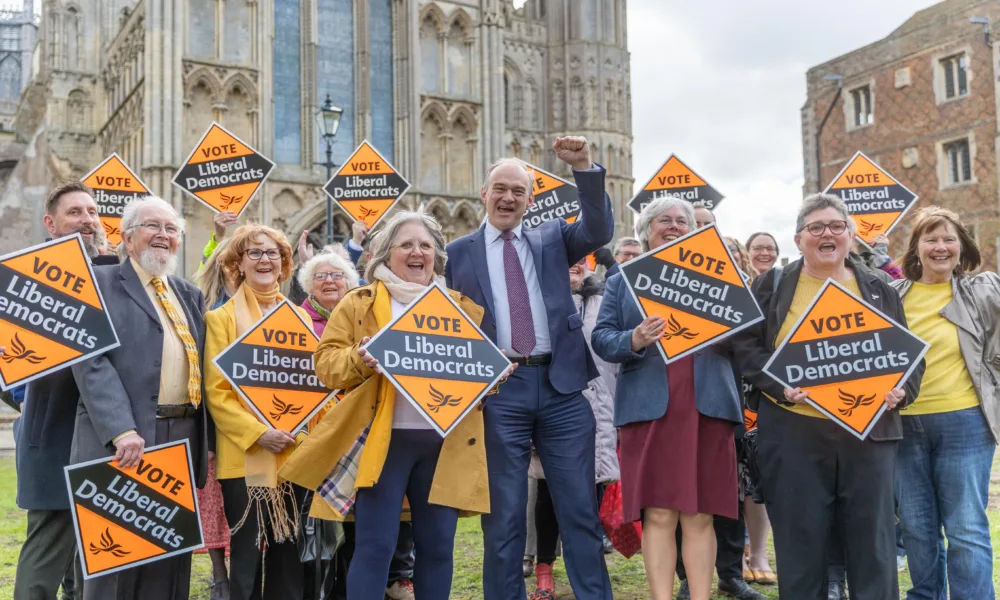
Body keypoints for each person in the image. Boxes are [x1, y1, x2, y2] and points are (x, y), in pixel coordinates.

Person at [279, 211, 498, 600]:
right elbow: (326, 365)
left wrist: (491, 380)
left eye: (425, 245)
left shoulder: (458, 307)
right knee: (375, 546)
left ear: (437, 256)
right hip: (383, 444)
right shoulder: (358, 302)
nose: (417, 252)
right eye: (407, 245)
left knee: (437, 548)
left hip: (442, 445)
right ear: (385, 254)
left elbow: (471, 372)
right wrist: (358, 359)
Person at [445, 136, 614, 600]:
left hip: (561, 390)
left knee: (579, 509)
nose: (507, 198)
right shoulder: (457, 253)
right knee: (503, 515)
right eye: (500, 188)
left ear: (530, 200)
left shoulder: (552, 238)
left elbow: (598, 228)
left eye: (518, 191)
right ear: (483, 193)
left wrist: (584, 167)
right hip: (501, 391)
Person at [733, 193, 924, 600]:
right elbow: (746, 347)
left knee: (873, 544)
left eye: (837, 227)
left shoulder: (879, 286)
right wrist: (780, 384)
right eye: (816, 227)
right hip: (793, 433)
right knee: (801, 544)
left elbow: (908, 355)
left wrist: (902, 390)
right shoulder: (773, 283)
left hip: (869, 433)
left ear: (851, 237)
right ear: (798, 238)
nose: (827, 234)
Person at [592, 197, 742, 600]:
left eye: (683, 221)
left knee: (700, 514)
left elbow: (749, 339)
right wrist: (634, 339)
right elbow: (602, 338)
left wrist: (731, 328)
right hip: (649, 408)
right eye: (664, 220)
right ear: (646, 231)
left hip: (707, 404)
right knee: (658, 513)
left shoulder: (718, 278)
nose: (674, 226)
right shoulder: (622, 279)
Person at [70, 195, 210, 600]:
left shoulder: (188, 294)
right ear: (128, 238)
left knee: (167, 563)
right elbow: (91, 362)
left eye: (171, 229)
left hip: (180, 435)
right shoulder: (100, 284)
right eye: (153, 226)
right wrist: (121, 429)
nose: (163, 236)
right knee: (113, 562)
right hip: (122, 442)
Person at [13, 182, 116, 600]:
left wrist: (108, 259)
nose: (88, 220)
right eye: (76, 212)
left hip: (105, 436)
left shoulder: (109, 269)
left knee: (90, 562)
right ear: (50, 223)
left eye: (92, 212)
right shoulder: (26, 280)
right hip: (53, 434)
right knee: (46, 553)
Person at [892, 206, 998, 599]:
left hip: (965, 422)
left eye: (948, 239)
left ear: (961, 246)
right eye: (931, 239)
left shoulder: (983, 290)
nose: (941, 247)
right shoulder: (894, 296)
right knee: (917, 528)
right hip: (903, 426)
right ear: (916, 248)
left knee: (965, 527)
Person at [204, 223, 312, 600]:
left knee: (288, 560)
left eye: (273, 254)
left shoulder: (300, 319)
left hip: (292, 452)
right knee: (246, 562)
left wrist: (297, 432)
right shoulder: (221, 320)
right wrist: (258, 433)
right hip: (245, 454)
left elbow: (310, 389)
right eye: (255, 253)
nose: (265, 260)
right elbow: (217, 393)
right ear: (239, 263)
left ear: (285, 264)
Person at [529, 258, 620, 600]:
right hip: (552, 411)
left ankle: (589, 572)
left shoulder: (604, 297)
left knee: (590, 499)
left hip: (598, 411)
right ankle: (544, 572)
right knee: (549, 497)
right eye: (566, 258)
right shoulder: (536, 297)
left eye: (580, 259)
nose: (575, 265)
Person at [193, 221, 238, 600]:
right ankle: (219, 574)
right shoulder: (206, 306)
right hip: (210, 415)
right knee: (212, 499)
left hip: (250, 416)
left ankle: (241, 568)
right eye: (228, 263)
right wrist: (219, 239)